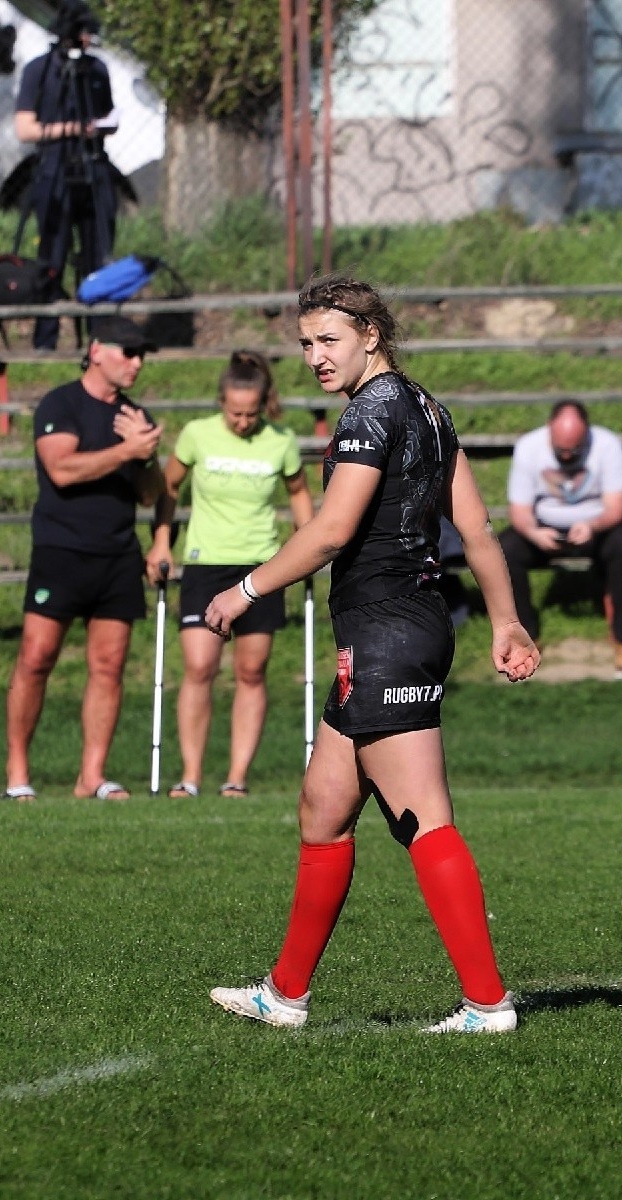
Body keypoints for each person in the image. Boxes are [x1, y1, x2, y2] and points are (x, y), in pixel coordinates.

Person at [203, 275, 540, 1033]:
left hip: (387, 631)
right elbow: (478, 532)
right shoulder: (427, 407)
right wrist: (506, 621)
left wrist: (245, 590)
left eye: (328, 340)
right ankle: (285, 995)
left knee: (425, 819)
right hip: (395, 630)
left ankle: (488, 1004)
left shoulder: (371, 413)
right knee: (323, 808)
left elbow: (329, 532)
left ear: (370, 336)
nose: (315, 356)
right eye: (305, 344)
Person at [4, 315, 164, 802]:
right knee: (36, 658)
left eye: (142, 355)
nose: (137, 363)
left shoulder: (134, 417)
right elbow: (62, 469)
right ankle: (17, 775)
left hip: (117, 554)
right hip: (61, 549)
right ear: (96, 350)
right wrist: (127, 449)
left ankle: (91, 776)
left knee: (109, 664)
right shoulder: (62, 403)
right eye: (128, 352)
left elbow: (150, 495)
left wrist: (146, 455)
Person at [151, 351, 314, 799]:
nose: (242, 422)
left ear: (263, 406)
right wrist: (161, 540)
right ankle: (189, 774)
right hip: (206, 562)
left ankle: (237, 776)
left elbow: (298, 492)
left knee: (251, 670)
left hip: (261, 565)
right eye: (233, 413)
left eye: (250, 414)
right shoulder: (197, 435)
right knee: (200, 666)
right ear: (221, 402)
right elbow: (169, 487)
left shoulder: (280, 440)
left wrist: (308, 542)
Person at [15, 0, 119, 350]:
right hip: (54, 171)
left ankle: (99, 336)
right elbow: (26, 128)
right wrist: (73, 128)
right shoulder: (40, 70)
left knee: (97, 255)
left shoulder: (97, 70)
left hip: (93, 168)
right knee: (52, 257)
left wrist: (96, 129)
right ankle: (46, 338)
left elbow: (108, 118)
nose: (89, 40)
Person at [498, 400, 622, 675]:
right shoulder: (529, 447)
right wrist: (534, 532)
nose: (566, 456)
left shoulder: (607, 445)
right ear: (549, 431)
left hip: (596, 528)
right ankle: (525, 638)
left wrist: (593, 525)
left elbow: (616, 507)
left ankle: (620, 639)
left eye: (573, 449)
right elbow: (519, 511)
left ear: (586, 434)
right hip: (543, 528)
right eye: (560, 449)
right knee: (506, 548)